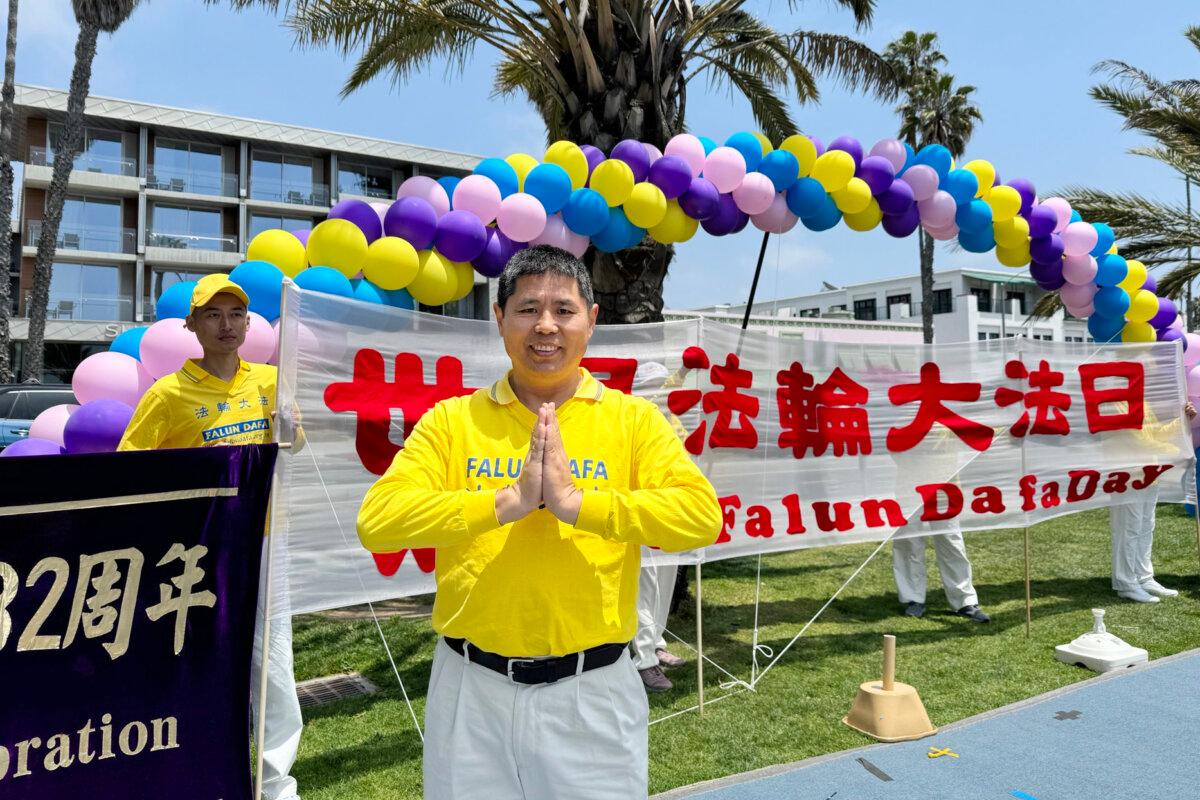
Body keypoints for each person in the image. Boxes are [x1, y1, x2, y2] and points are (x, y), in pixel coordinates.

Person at [357, 245, 722, 800]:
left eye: (563, 310)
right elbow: (378, 521)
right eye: (527, 309)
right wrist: (506, 504)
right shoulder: (454, 420)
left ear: (591, 320)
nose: (545, 326)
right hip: (469, 688)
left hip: (592, 692)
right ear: (499, 318)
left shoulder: (634, 420)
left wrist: (578, 506)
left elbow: (699, 518)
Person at [118, 273, 304, 800]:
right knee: (199, 657)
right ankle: (200, 769)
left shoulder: (270, 382)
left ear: (248, 324)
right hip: (196, 551)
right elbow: (130, 468)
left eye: (235, 315)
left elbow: (291, 446)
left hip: (267, 540)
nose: (226, 325)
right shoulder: (167, 394)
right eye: (213, 316)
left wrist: (288, 430)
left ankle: (276, 785)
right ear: (193, 326)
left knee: (273, 664)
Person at [1110, 400, 1196, 603]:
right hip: (1126, 476)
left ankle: (1143, 577)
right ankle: (1125, 583)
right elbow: (1137, 441)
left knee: (1146, 526)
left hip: (1149, 473)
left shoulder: (1141, 401)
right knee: (1127, 529)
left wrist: (1181, 421)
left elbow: (1155, 434)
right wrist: (1177, 453)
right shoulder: (1113, 403)